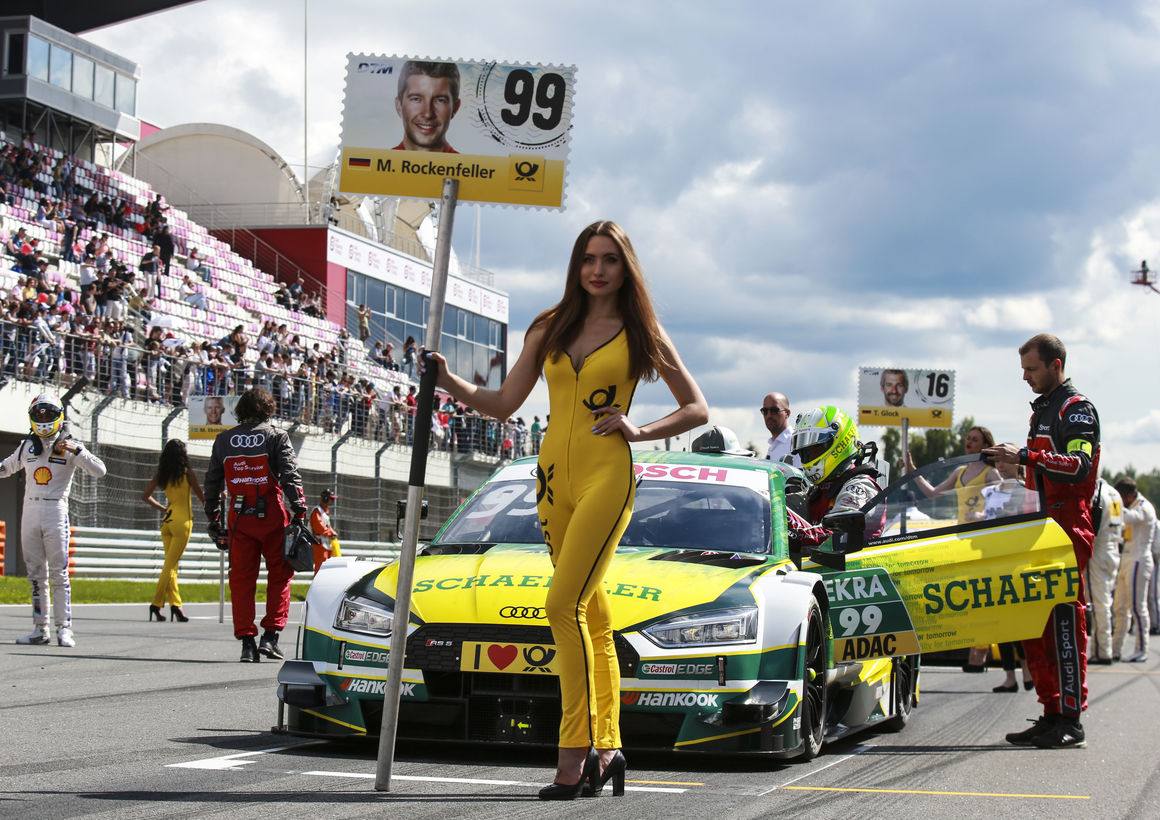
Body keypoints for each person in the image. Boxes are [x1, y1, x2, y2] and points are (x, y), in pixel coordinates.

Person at [421, 220, 708, 800]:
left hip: (609, 476)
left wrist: (641, 428)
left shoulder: (639, 329)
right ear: (576, 266)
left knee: (562, 605)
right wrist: (448, 379)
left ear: (626, 268)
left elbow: (697, 407)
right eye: (588, 259)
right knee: (593, 619)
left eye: (610, 259)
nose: (598, 269)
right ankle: (610, 746)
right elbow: (503, 403)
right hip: (551, 482)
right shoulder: (549, 327)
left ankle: (572, 754)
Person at [983, 333, 1100, 749]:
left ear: (1055, 365)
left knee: (1065, 625)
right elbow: (1041, 473)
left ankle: (1071, 717)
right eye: (1023, 369)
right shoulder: (1042, 410)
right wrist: (1012, 464)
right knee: (1035, 623)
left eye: (1031, 369)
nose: (1025, 377)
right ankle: (1051, 712)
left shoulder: (1076, 408)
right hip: (1038, 529)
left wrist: (1027, 457)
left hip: (1068, 530)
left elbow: (1079, 467)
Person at [203, 387, 309, 663]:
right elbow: (289, 474)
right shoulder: (276, 436)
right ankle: (270, 637)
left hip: (239, 517)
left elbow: (212, 483)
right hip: (272, 514)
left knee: (241, 580)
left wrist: (213, 519)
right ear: (268, 409)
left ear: (240, 411)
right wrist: (299, 509)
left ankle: (247, 643)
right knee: (280, 575)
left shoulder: (223, 439)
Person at [1, 393, 107, 647]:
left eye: (48, 414)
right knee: (35, 573)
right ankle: (40, 628)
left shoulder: (71, 445)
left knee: (59, 572)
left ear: (59, 416)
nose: (44, 418)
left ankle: (64, 628)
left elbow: (100, 470)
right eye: (39, 415)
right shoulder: (27, 446)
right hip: (30, 511)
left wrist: (77, 450)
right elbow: (6, 468)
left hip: (56, 511)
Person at [786, 406, 885, 546]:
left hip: (851, 565)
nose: (809, 456)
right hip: (815, 564)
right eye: (805, 452)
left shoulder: (861, 485)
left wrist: (788, 535)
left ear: (840, 443)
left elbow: (836, 534)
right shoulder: (818, 490)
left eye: (815, 449)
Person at [140, 439, 206, 623]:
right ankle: (156, 602)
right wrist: (220, 496)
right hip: (182, 522)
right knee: (169, 567)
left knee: (171, 566)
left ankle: (176, 605)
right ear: (183, 455)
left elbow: (145, 496)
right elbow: (202, 497)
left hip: (167, 520)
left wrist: (164, 509)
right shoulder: (187, 473)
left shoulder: (162, 475)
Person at [905, 426, 1001, 523]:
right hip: (961, 531)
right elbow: (932, 493)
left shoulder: (991, 473)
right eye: (968, 438)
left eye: (975, 440)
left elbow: (1003, 503)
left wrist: (982, 515)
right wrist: (912, 470)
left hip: (981, 532)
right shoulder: (959, 472)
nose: (969, 442)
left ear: (985, 445)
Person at [1110, 476, 1155, 663]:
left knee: (1137, 608)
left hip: (1139, 560)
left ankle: (1142, 649)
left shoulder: (1144, 507)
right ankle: (1116, 649)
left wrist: (1113, 504)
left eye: (1121, 497)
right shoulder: (1132, 505)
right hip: (1127, 559)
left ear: (1128, 496)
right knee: (1119, 607)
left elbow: (1127, 517)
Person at [1085, 477, 1123, 664]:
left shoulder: (1096, 492)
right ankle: (1102, 649)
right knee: (1105, 602)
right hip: (1113, 548)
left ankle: (1103, 650)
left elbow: (1093, 524)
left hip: (1099, 549)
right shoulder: (1114, 493)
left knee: (1099, 603)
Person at [393, 60, 461, 153]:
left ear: (455, 108)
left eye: (440, 100)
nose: (428, 114)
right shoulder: (377, 163)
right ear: (399, 106)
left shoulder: (468, 167)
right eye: (416, 99)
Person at [761, 391, 801, 466]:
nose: (769, 415)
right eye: (765, 411)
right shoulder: (773, 445)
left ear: (787, 413)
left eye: (774, 410)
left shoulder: (797, 443)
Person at [309, 488, 343, 573]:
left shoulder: (324, 511)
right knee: (320, 567)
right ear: (325, 498)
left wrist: (332, 532)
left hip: (325, 543)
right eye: (331, 499)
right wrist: (330, 533)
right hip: (319, 543)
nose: (333, 501)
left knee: (326, 567)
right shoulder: (317, 511)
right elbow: (318, 527)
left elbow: (327, 526)